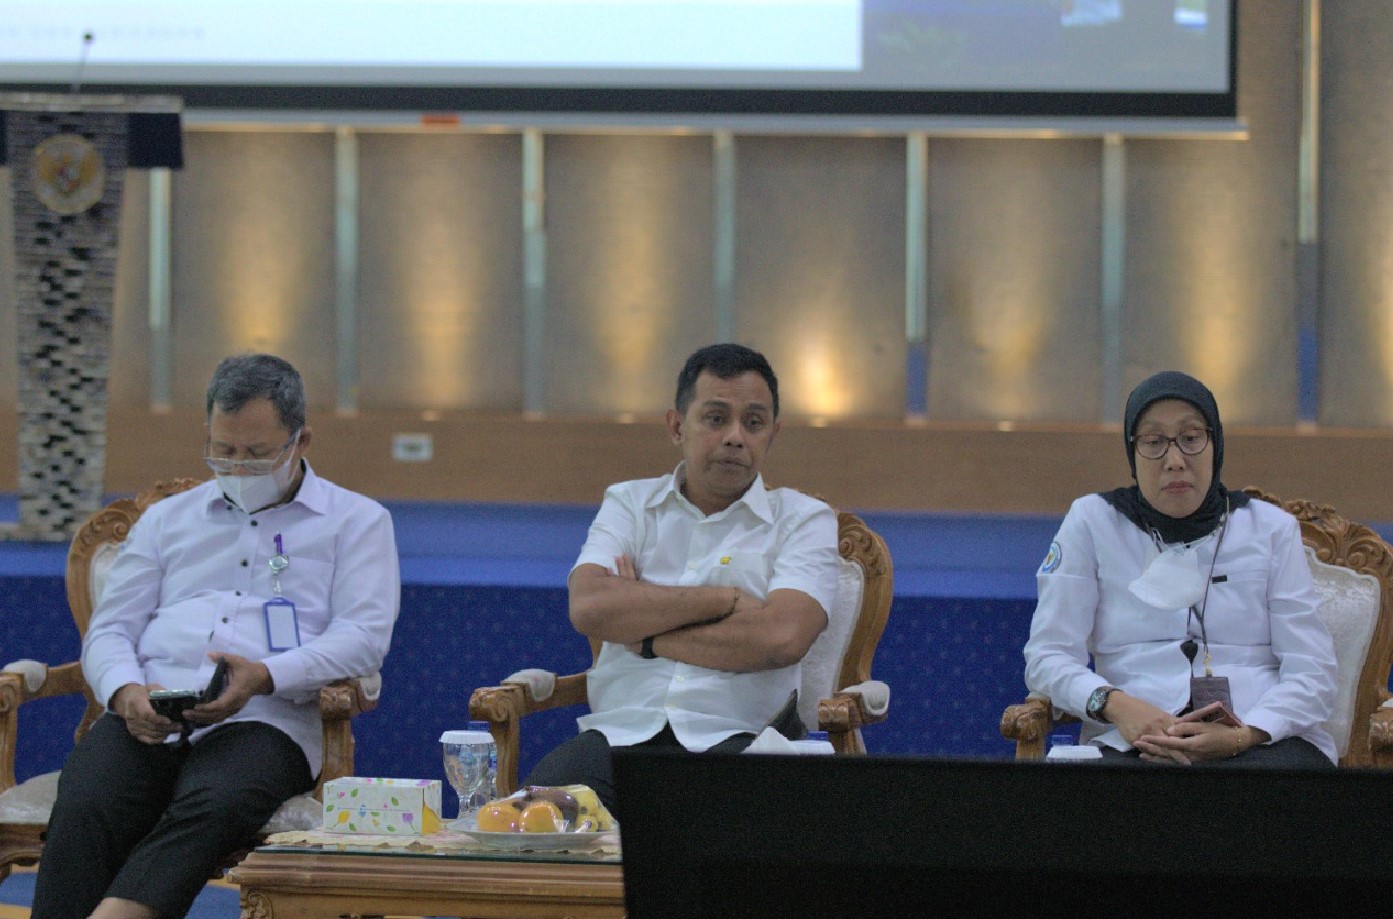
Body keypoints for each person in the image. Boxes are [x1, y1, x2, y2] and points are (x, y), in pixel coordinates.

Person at [32, 354, 400, 919]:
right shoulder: (167, 520)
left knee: (217, 800)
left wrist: (264, 676)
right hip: (153, 704)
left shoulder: (357, 522)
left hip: (268, 717)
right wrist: (126, 693)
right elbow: (111, 629)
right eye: (221, 450)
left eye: (256, 454)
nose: (235, 466)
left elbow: (363, 636)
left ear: (302, 440)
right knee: (89, 797)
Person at [522, 343, 842, 813]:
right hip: (617, 740)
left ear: (772, 434)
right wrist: (727, 600)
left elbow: (782, 638)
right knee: (532, 828)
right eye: (716, 419)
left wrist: (645, 633)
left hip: (738, 743)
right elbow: (589, 607)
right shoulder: (630, 504)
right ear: (677, 426)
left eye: (753, 423)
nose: (736, 437)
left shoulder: (804, 520)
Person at [1024, 370, 1338, 767]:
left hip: (1259, 742)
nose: (1175, 461)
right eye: (1154, 442)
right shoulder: (1092, 522)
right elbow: (1047, 657)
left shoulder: (1270, 529)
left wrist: (1246, 733)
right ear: (1132, 452)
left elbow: (1314, 670)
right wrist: (1117, 706)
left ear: (1215, 445)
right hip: (1133, 740)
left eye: (1191, 439)